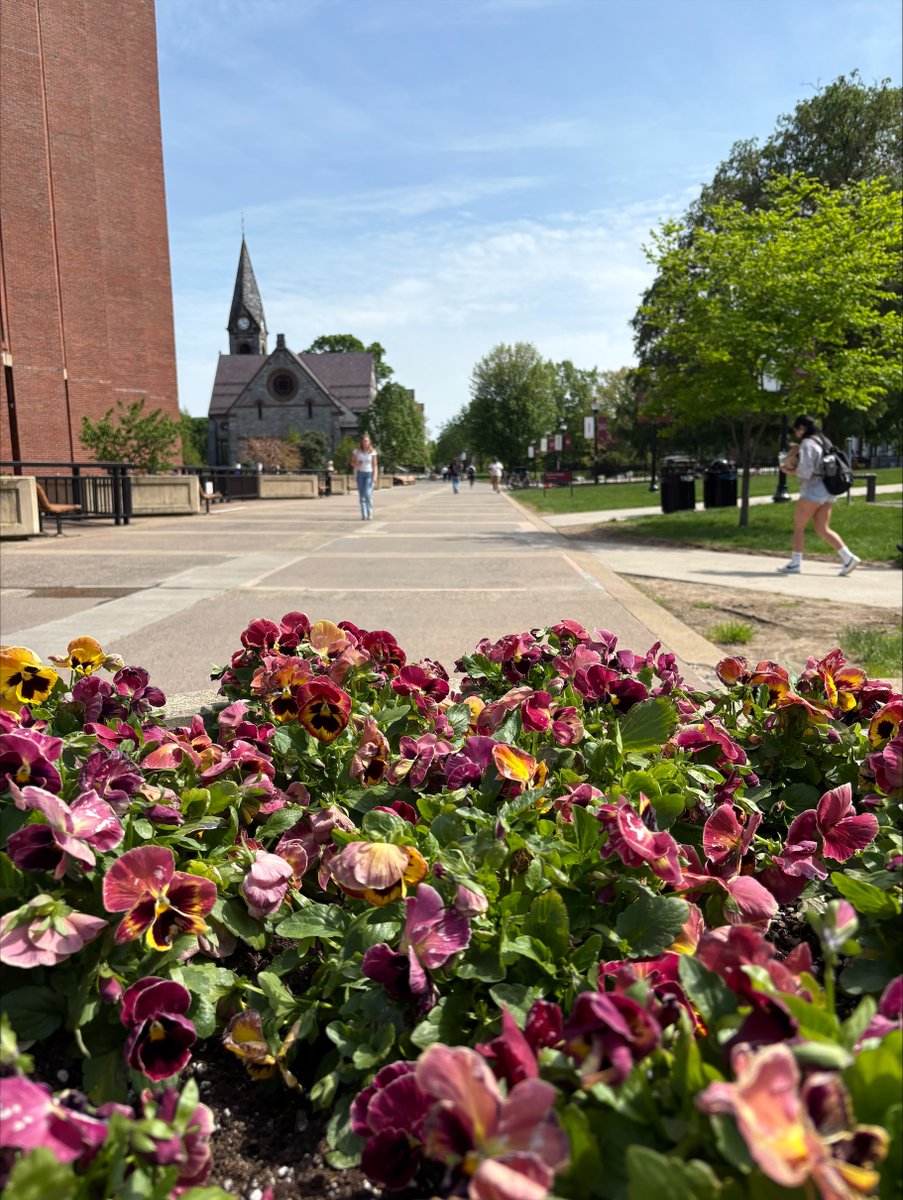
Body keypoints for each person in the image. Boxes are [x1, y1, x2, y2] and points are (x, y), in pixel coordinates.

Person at [777, 414, 860, 576]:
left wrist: (788, 469)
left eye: (796, 430)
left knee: (799, 526)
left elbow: (805, 471)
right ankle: (848, 558)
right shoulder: (823, 440)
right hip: (829, 489)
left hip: (814, 489)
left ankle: (795, 563)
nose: (796, 434)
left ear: (802, 428)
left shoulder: (807, 443)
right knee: (822, 528)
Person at [351, 434, 378, 520]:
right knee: (362, 496)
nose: (365, 443)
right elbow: (352, 463)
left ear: (370, 442)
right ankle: (364, 514)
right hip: (360, 474)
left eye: (367, 441)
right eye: (364, 441)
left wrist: (375, 476)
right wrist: (357, 464)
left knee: (368, 494)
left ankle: (370, 513)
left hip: (369, 474)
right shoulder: (357, 451)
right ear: (361, 442)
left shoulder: (372, 452)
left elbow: (375, 465)